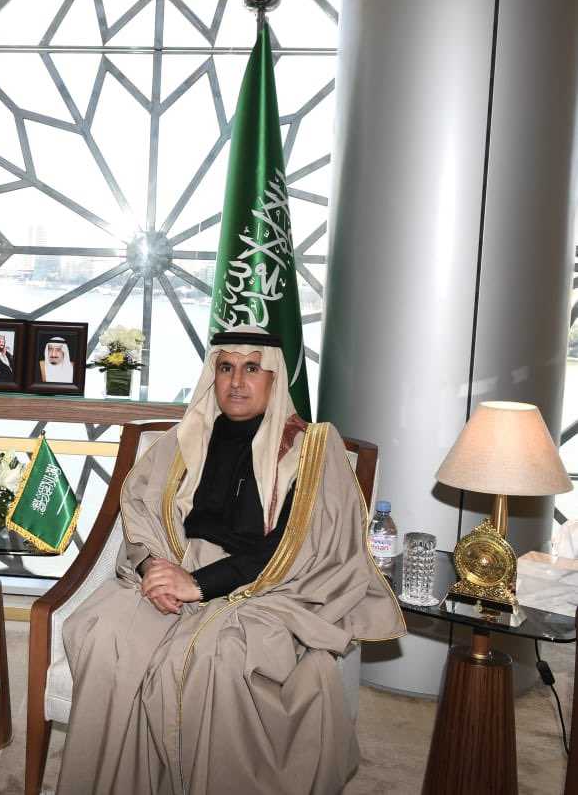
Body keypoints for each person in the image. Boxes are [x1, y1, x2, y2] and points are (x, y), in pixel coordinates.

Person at [56, 327, 404, 795]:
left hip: (268, 586)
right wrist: (153, 569)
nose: (237, 381)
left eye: (252, 368)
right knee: (103, 632)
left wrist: (200, 584)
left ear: (274, 377)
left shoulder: (313, 449)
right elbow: (140, 513)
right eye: (226, 367)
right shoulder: (184, 439)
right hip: (175, 564)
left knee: (209, 660)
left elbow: (298, 546)